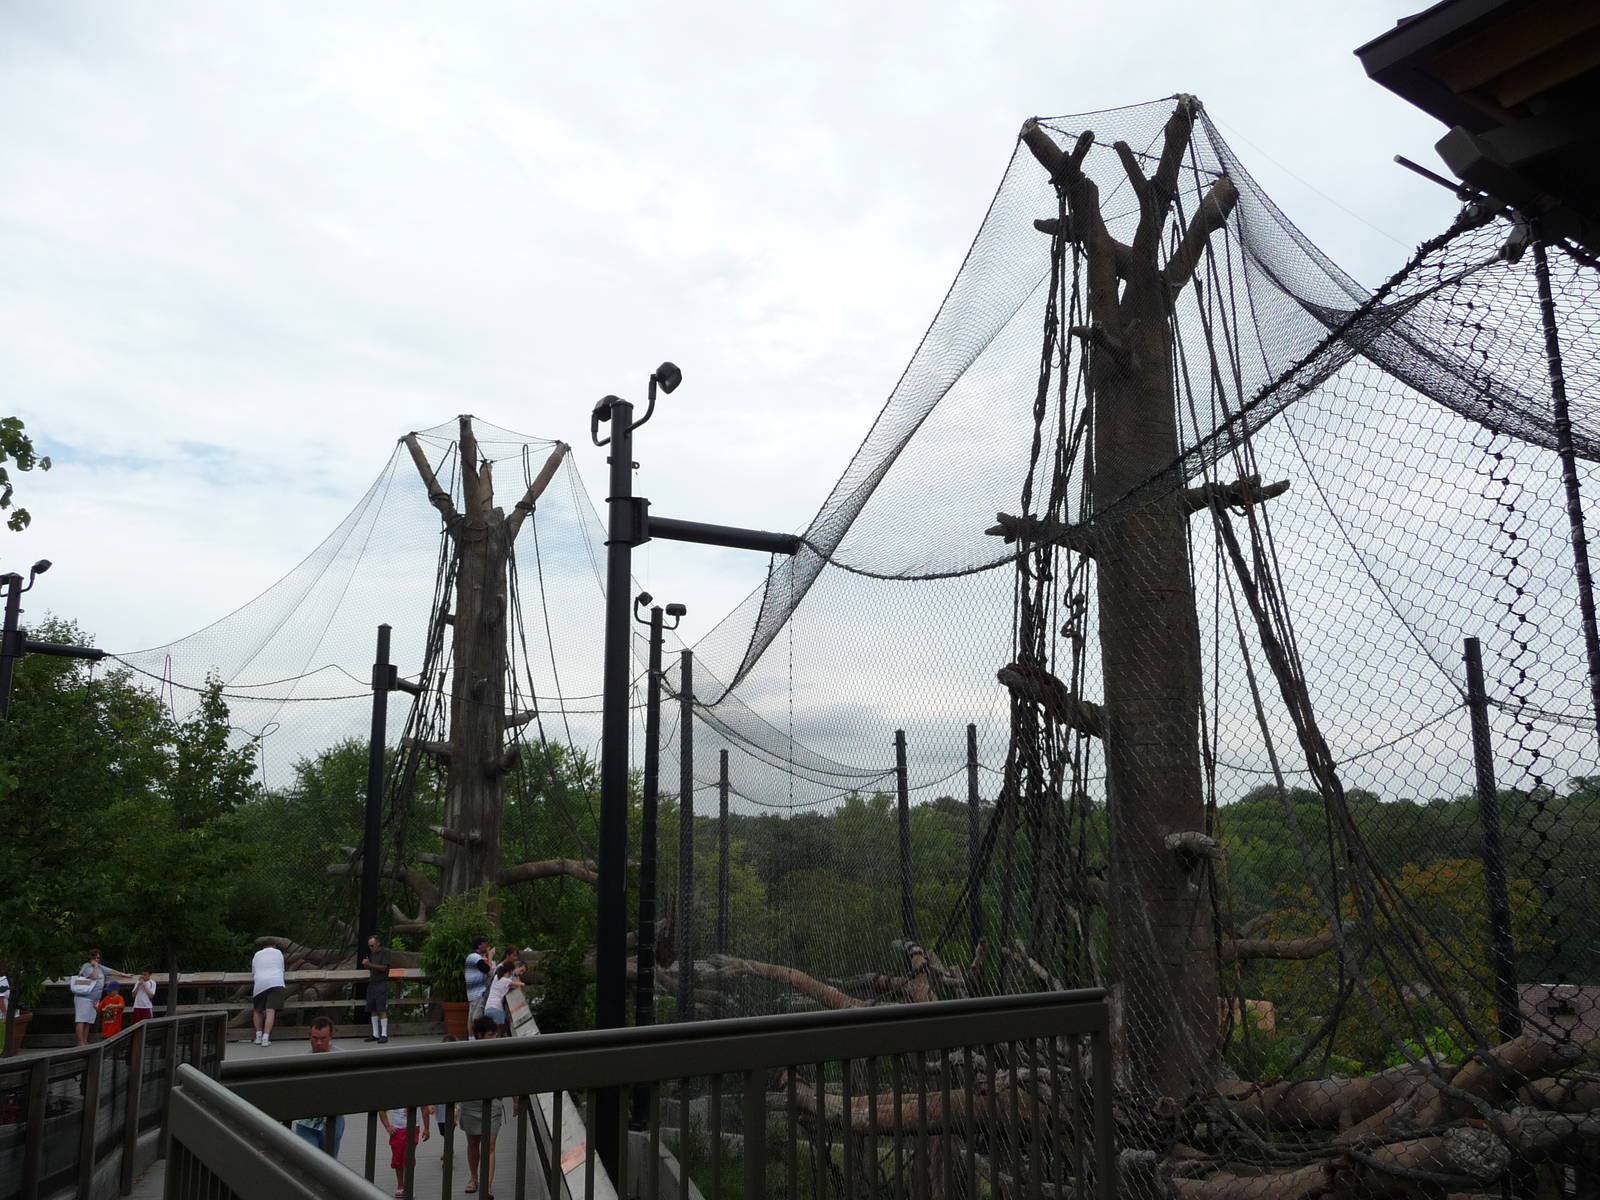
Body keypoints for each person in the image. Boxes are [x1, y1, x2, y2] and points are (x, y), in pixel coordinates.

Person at [460, 1015, 514, 1196]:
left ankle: (487, 1185)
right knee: (473, 1143)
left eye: (495, 1034)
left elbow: (509, 1077)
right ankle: (473, 1178)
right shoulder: (467, 1053)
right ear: (479, 1035)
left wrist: (515, 1100)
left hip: (492, 1104)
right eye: (490, 1035)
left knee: (490, 1145)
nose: (494, 1038)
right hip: (471, 1104)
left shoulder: (500, 1053)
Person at [291, 1016, 345, 1155]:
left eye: (323, 1038)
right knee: (309, 1162)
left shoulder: (343, 1059)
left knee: (330, 1165)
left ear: (331, 1036)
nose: (319, 1043)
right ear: (309, 1036)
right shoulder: (301, 1061)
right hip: (307, 1121)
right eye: (315, 1038)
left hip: (333, 1119)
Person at [379, 1096, 432, 1198]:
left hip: (413, 1127)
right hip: (397, 1130)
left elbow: (424, 1108)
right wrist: (387, 1126)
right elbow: (381, 1110)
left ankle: (408, 1185)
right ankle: (400, 1185)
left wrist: (426, 1128)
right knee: (397, 1158)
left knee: (408, 1157)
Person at [250, 943, 286, 1046]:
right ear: (274, 946)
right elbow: (282, 970)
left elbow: (253, 972)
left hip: (260, 983)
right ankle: (266, 1038)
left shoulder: (257, 954)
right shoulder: (278, 953)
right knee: (270, 1011)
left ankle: (258, 1037)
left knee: (257, 1010)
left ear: (263, 947)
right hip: (276, 981)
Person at [73, 949, 110, 1045]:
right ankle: (80, 1042)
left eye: (98, 957)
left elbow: (111, 971)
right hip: (84, 997)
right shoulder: (86, 966)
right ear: (90, 958)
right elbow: (94, 976)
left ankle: (85, 1041)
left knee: (88, 1020)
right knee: (81, 1019)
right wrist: (95, 966)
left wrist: (124, 975)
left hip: (94, 999)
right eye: (94, 957)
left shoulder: (100, 967)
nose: (96, 959)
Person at [361, 934, 391, 1043]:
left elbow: (384, 968)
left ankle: (384, 1034)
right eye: (369, 946)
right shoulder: (372, 954)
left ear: (378, 943)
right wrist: (367, 965)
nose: (371, 948)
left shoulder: (385, 952)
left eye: (372, 945)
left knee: (381, 1008)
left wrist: (370, 964)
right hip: (372, 982)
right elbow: (372, 966)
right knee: (372, 1009)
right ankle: (375, 1034)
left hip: (381, 982)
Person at [464, 937, 493, 1039]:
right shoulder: (475, 957)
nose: (487, 946)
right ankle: (477, 1039)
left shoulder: (471, 957)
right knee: (477, 1018)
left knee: (471, 1017)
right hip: (477, 993)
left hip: (472, 993)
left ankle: (471, 1038)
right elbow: (489, 971)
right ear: (479, 945)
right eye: (485, 944)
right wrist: (490, 956)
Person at [482, 962, 523, 1032]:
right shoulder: (506, 981)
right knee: (499, 1032)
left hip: (487, 1008)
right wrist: (517, 979)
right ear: (510, 971)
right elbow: (521, 984)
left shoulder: (496, 977)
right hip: (497, 1009)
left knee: (489, 1031)